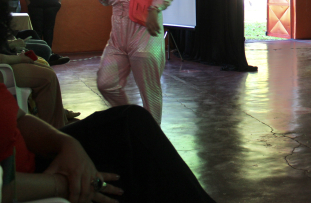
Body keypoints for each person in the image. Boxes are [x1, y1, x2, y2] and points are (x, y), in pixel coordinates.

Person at [0, 83, 216, 203]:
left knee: (129, 123)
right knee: (136, 172)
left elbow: (18, 117)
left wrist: (67, 143)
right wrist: (66, 184)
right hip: (25, 184)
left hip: (28, 157)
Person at [0, 0, 69, 128]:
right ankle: (53, 131)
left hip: (6, 62)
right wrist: (19, 59)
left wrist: (11, 45)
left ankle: (60, 119)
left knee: (46, 68)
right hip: (4, 68)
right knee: (47, 78)